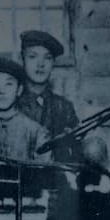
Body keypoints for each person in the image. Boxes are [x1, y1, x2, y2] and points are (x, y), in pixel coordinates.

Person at [16, 30, 80, 161]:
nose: (41, 64)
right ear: (22, 59)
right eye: (33, 57)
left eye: (48, 58)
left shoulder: (64, 108)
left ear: (53, 64)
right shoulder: (11, 105)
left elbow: (77, 156)